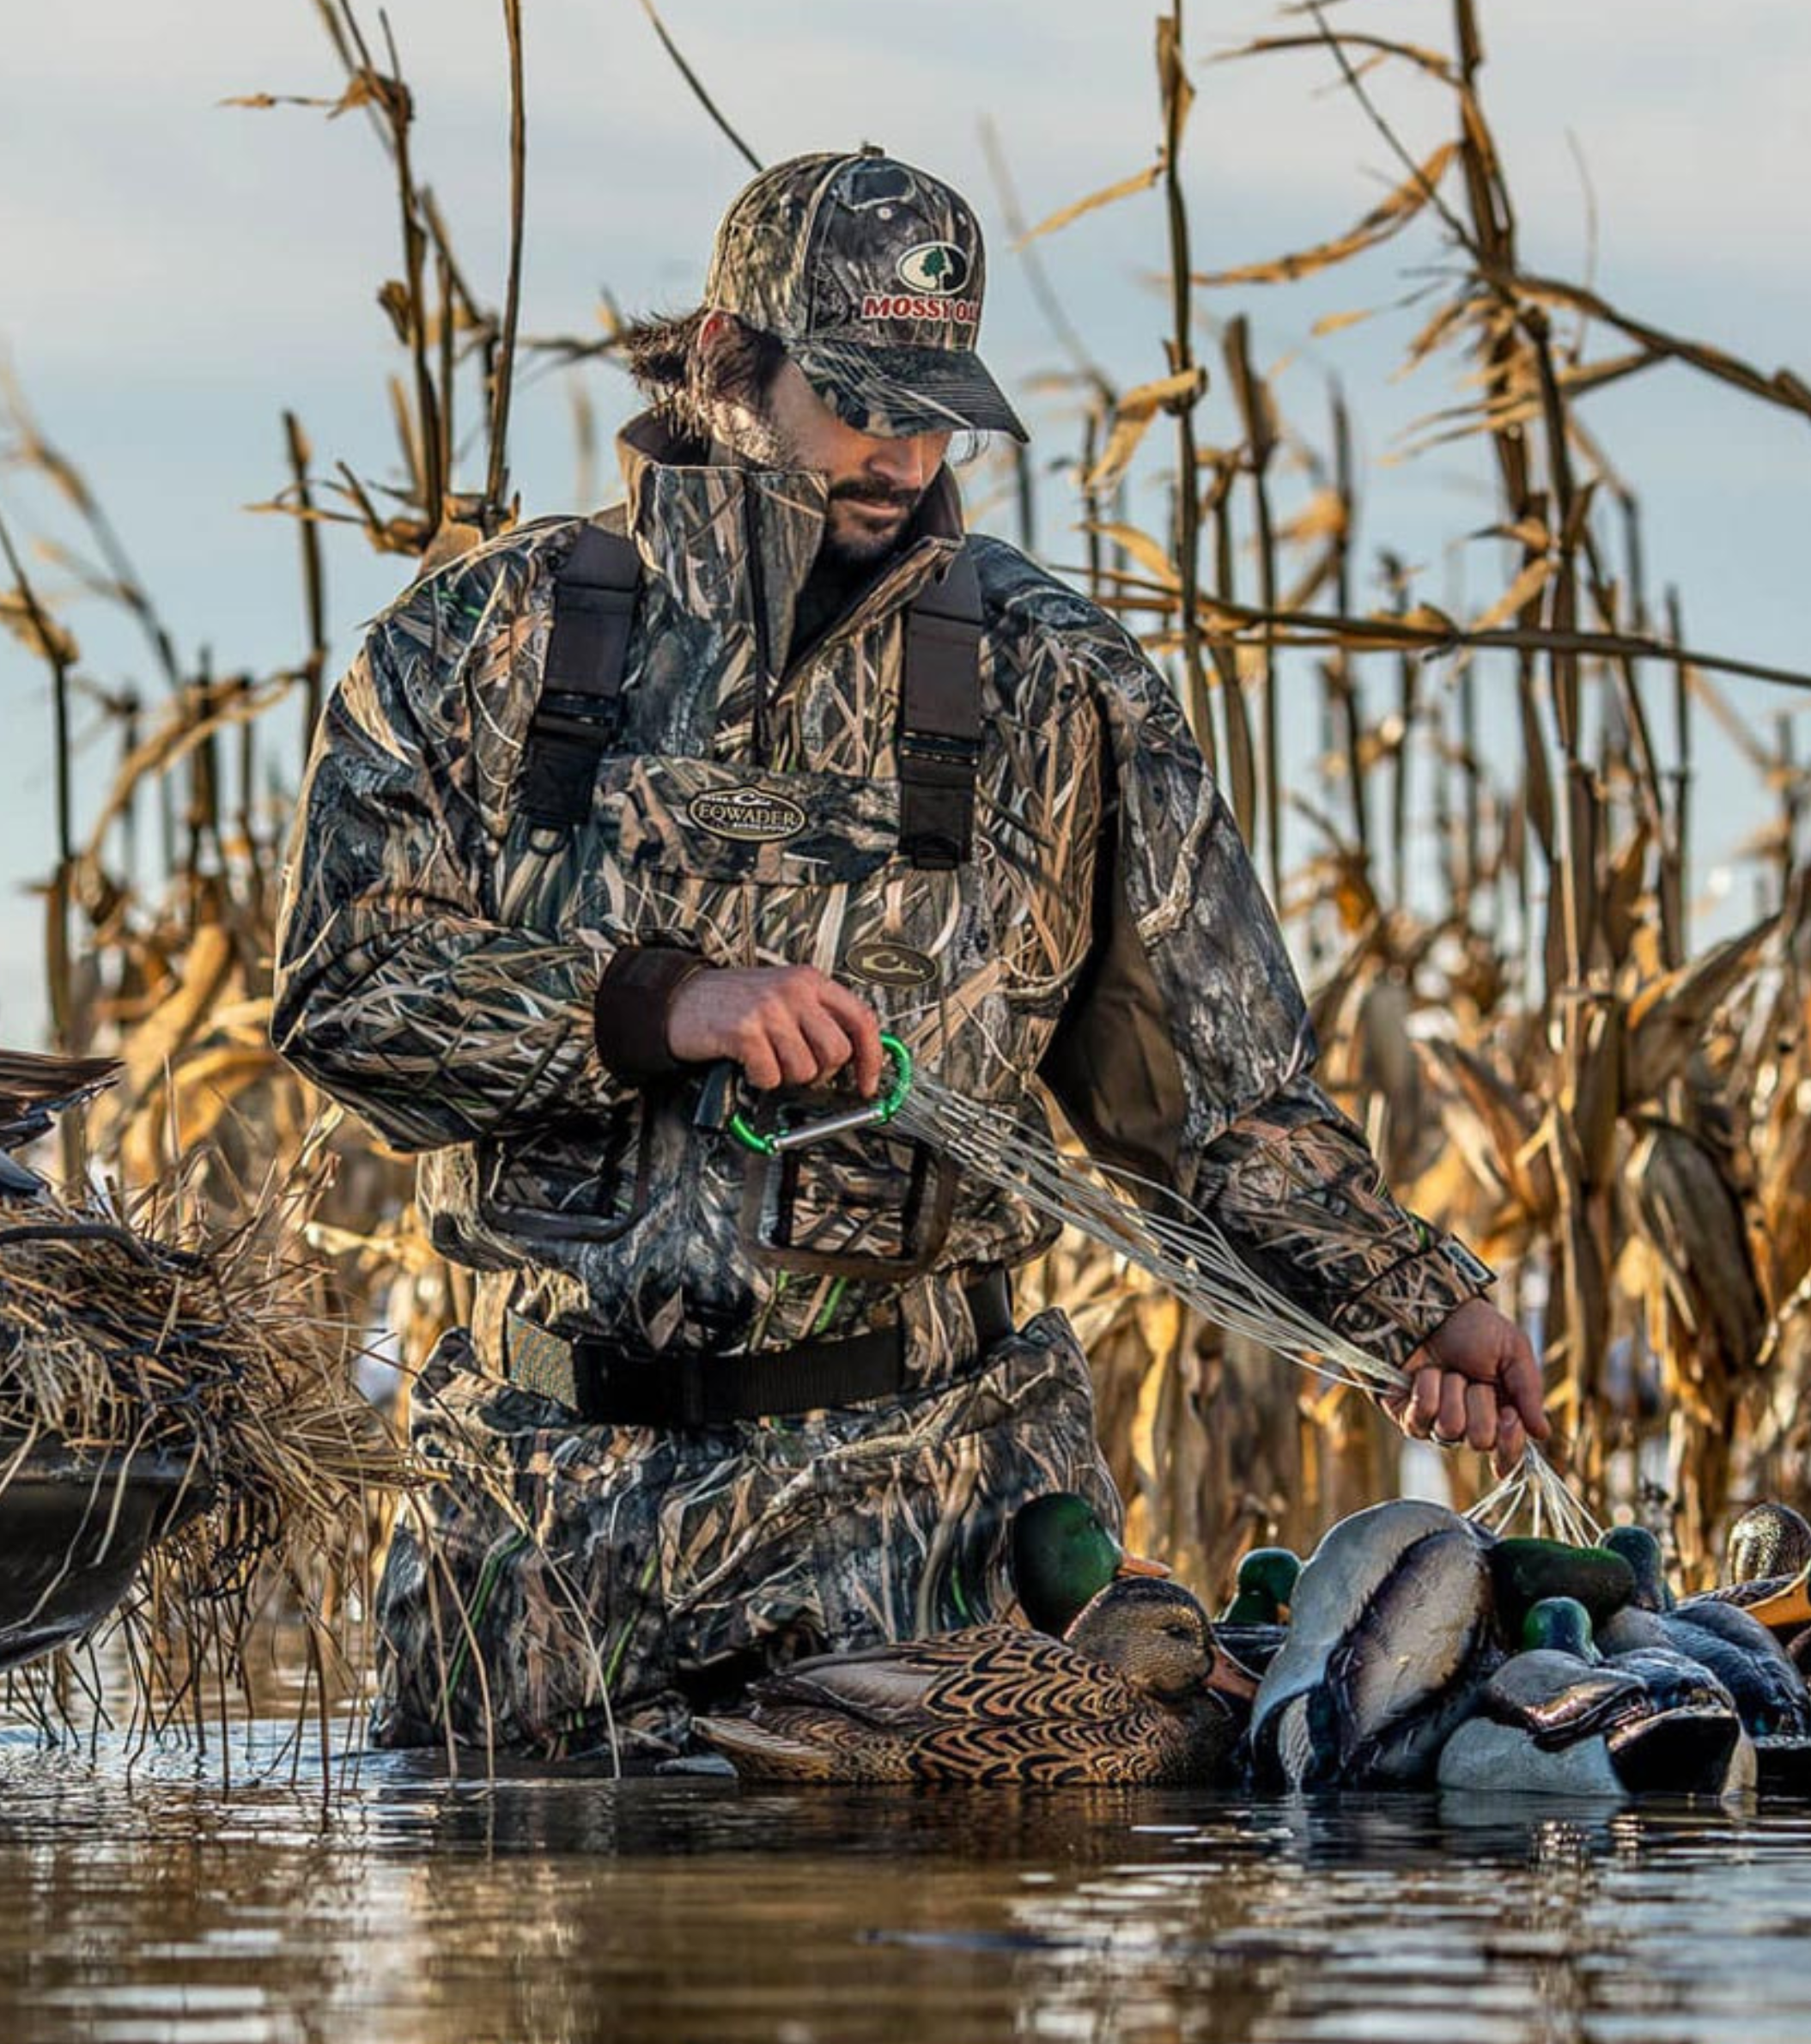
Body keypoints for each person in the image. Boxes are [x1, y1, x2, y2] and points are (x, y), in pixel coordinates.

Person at [270, 148, 1548, 1761]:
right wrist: (658, 1006)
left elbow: (1220, 1102)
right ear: (729, 359)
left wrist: (1411, 1302)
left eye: (937, 404)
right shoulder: (475, 643)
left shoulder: (1062, 686)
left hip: (935, 1533)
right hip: (534, 1542)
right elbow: (340, 994)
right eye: (861, 396)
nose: (906, 451)